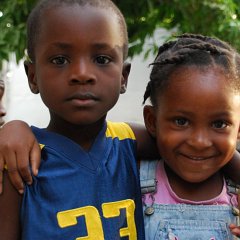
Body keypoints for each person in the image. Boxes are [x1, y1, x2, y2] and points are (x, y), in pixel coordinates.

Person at [0, 0, 158, 239]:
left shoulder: (130, 141)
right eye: (60, 60)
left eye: (102, 59)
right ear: (33, 77)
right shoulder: (20, 161)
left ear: (123, 77)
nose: (82, 74)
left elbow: (205, 146)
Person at [140, 33, 240, 239]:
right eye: (181, 121)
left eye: (219, 124)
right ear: (152, 121)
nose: (199, 142)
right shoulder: (130, 179)